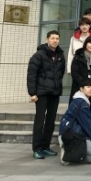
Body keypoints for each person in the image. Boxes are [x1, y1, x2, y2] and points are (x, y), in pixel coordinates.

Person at [27, 30, 66, 159]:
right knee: (40, 121)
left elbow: (60, 73)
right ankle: (37, 148)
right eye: (52, 38)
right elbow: (31, 75)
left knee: (50, 121)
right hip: (41, 92)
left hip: (54, 92)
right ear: (47, 39)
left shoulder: (60, 55)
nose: (55, 41)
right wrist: (32, 93)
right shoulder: (39, 55)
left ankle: (45, 146)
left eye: (57, 38)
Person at [59, 79, 91, 165]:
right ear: (81, 89)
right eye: (88, 87)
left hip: (71, 131)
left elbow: (89, 117)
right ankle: (70, 153)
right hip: (72, 136)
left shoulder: (81, 100)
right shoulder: (81, 103)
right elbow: (88, 124)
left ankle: (76, 150)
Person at [70, 36, 91, 102]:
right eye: (90, 43)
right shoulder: (77, 57)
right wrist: (85, 84)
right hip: (80, 88)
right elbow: (75, 73)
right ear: (85, 44)